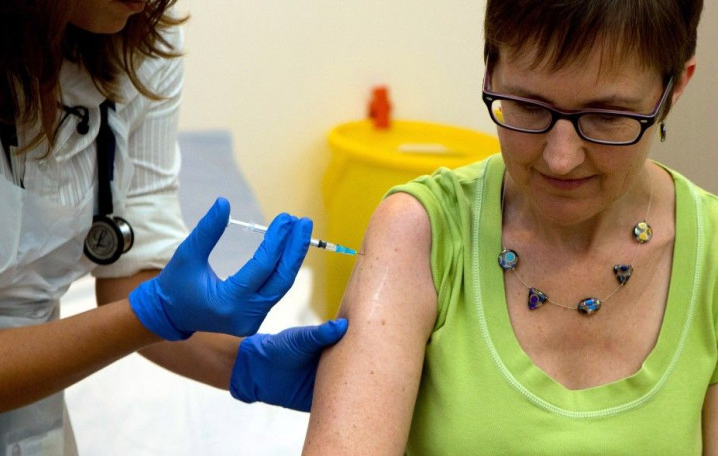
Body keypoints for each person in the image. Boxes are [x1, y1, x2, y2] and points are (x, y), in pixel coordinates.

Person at [302, 0, 716, 454]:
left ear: (674, 90)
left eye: (607, 117)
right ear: (489, 73)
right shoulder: (419, 233)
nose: (561, 158)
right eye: (528, 106)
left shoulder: (710, 256)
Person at [0, 1, 346, 454]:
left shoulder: (139, 36)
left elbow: (131, 275)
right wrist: (152, 314)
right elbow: (143, 310)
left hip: (35, 424)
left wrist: (245, 364)